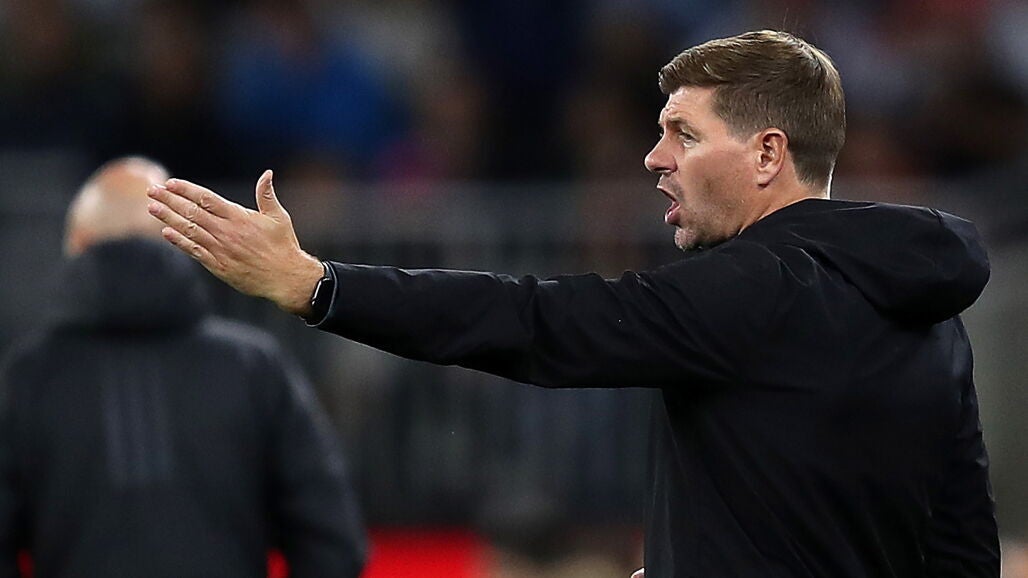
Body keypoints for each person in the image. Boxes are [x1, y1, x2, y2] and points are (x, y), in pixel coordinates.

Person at [146, 30, 999, 577]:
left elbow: (534, 321)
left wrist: (318, 286)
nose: (654, 158)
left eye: (684, 133)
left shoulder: (753, 285)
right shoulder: (928, 308)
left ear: (768, 154)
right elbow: (961, 542)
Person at [0, 157, 366, 578]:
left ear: (79, 244)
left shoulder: (29, 376)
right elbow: (332, 542)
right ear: (180, 242)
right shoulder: (252, 367)